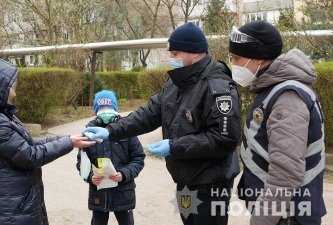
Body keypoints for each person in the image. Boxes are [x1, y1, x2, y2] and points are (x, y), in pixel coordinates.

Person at [82, 22, 241, 225]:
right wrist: (110, 131)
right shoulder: (176, 81)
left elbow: (224, 138)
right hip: (184, 180)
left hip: (210, 182)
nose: (171, 58)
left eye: (175, 53)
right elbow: (148, 114)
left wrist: (174, 146)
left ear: (194, 53)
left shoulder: (216, 85)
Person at [0, 55, 95, 225]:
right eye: (11, 88)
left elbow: (28, 144)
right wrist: (69, 143)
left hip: (15, 201)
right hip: (9, 209)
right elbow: (30, 156)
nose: (14, 93)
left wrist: (68, 138)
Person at [229, 20, 326, 225]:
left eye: (236, 58)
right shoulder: (274, 88)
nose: (233, 64)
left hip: (288, 215)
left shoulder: (287, 97)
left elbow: (286, 173)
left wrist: (261, 220)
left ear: (258, 58)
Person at [76, 90, 145, 225]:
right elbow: (82, 163)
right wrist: (90, 177)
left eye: (109, 107)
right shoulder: (88, 133)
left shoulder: (127, 130)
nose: (105, 111)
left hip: (123, 192)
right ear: (96, 111)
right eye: (101, 108)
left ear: (115, 109)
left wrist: (124, 174)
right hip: (99, 194)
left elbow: (138, 158)